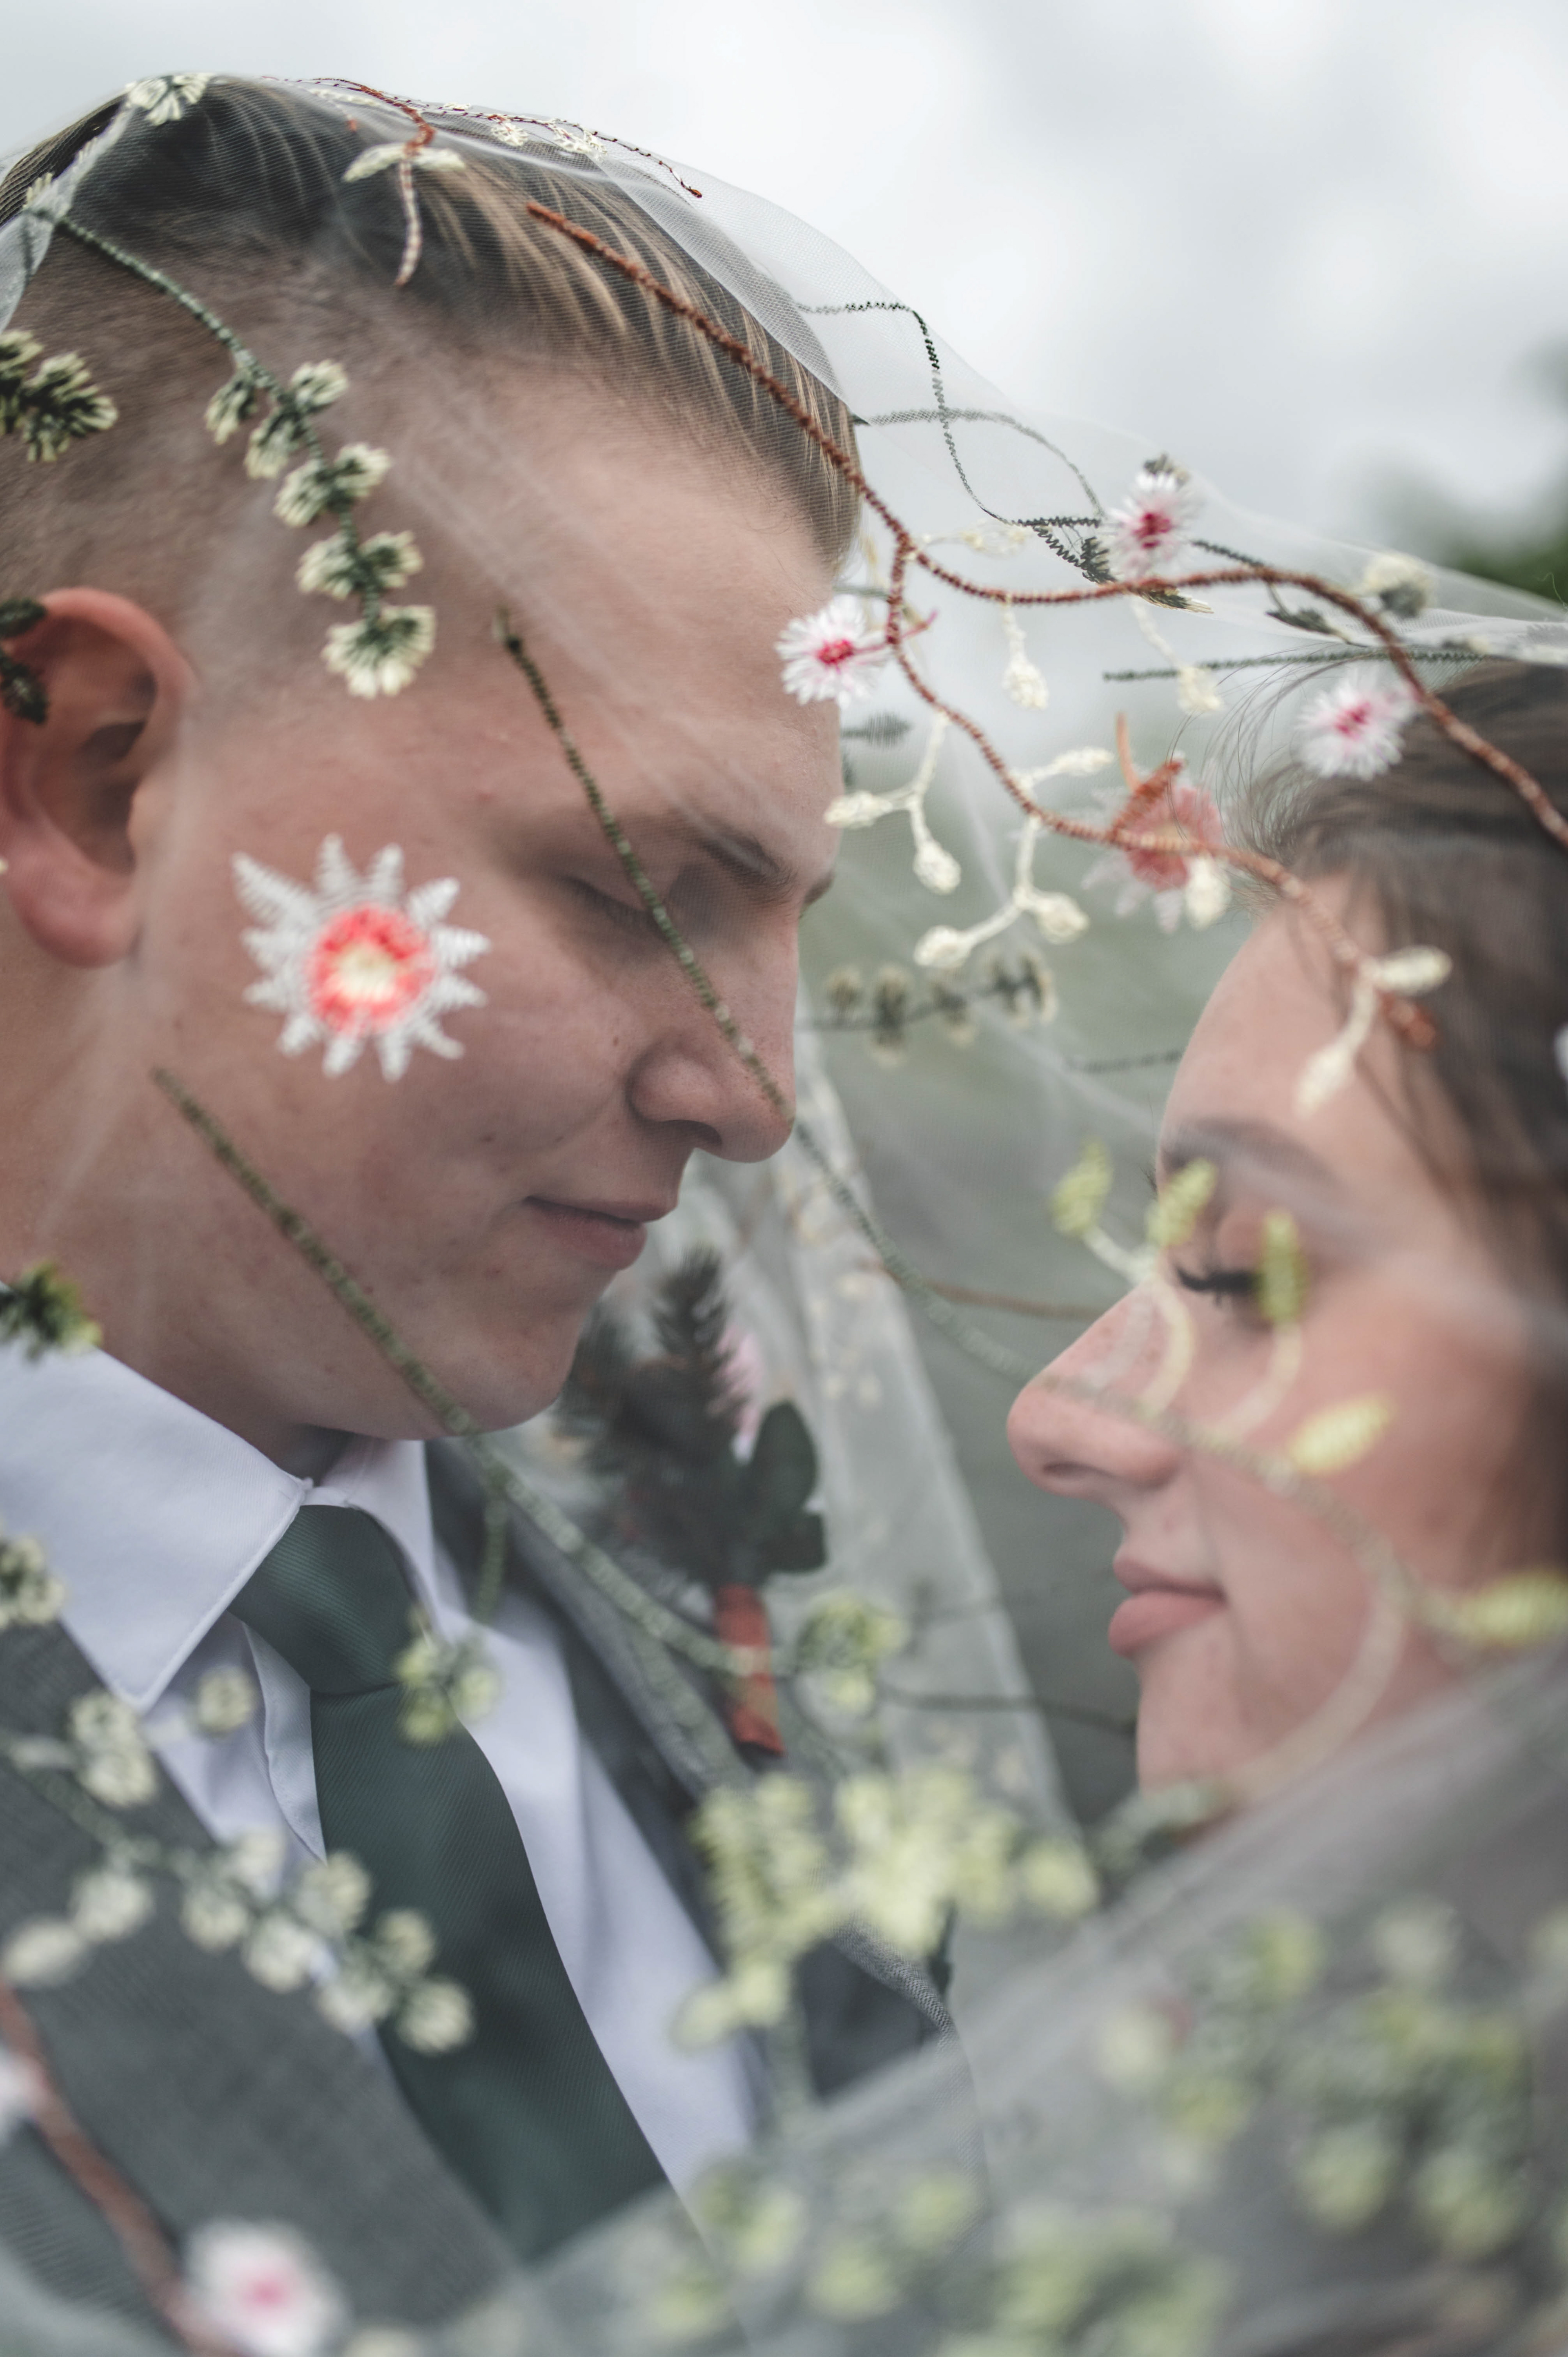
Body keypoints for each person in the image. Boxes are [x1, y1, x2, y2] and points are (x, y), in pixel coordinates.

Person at [0, 76, 950, 2340]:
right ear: (95, 778)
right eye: (637, 885)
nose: (756, 1095)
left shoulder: (746, 1587)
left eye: (785, 924)